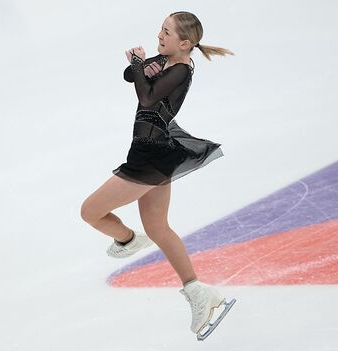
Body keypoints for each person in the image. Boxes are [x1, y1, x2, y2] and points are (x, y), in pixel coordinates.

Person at [80, 11, 236, 340]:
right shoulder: (167, 60)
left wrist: (141, 67)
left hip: (149, 158)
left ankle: (127, 239)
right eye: (160, 30)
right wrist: (141, 64)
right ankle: (199, 292)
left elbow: (147, 96)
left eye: (167, 33)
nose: (159, 36)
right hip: (155, 151)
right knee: (159, 228)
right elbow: (129, 75)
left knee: (90, 211)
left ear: (185, 43)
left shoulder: (180, 69)